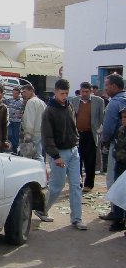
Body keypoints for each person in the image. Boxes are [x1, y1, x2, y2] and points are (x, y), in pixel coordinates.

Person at [35, 78, 86, 229]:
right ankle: (41, 209)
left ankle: (77, 219)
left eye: (66, 93)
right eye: (62, 93)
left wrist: (76, 141)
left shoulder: (68, 105)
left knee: (76, 186)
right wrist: (56, 156)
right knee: (57, 186)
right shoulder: (49, 111)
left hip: (73, 150)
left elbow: (73, 126)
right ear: (55, 92)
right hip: (60, 153)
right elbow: (47, 136)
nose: (64, 96)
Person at [99, 73, 126, 230]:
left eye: (107, 85)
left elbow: (108, 129)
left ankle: (117, 215)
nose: (105, 88)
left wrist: (105, 142)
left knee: (114, 181)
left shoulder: (114, 103)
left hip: (119, 149)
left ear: (115, 87)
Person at [70, 82, 104, 192]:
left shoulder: (99, 101)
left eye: (86, 92)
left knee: (90, 161)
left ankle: (89, 184)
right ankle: (77, 182)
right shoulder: (74, 101)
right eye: (82, 91)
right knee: (77, 159)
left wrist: (100, 130)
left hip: (91, 134)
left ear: (91, 91)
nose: (84, 94)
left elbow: (102, 118)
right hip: (77, 134)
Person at [20, 84, 46, 163]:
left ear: (31, 91)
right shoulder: (42, 102)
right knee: (39, 154)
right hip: (41, 132)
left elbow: (30, 119)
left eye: (25, 92)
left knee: (34, 156)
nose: (23, 94)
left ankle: (40, 172)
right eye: (22, 93)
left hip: (33, 133)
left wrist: (28, 133)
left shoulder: (31, 102)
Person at [4, 87, 24, 154]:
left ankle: (15, 149)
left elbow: (22, 111)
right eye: (13, 93)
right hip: (10, 120)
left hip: (17, 121)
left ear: (18, 94)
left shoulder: (21, 102)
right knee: (9, 135)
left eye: (16, 93)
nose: (14, 95)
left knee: (16, 136)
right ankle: (15, 147)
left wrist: (19, 114)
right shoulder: (9, 100)